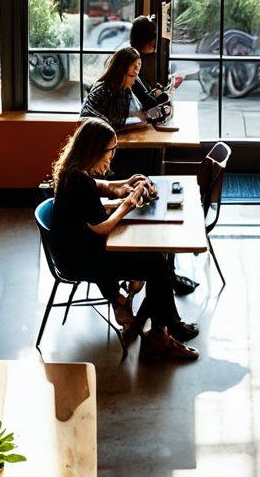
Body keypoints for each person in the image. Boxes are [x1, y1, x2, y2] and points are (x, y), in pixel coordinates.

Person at [50, 118, 198, 363]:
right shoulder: (79, 182)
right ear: (95, 150)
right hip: (80, 259)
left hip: (74, 249)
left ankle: (162, 323)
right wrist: (128, 204)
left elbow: (103, 186)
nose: (112, 155)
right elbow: (101, 227)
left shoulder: (73, 172)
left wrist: (126, 184)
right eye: (111, 150)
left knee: (156, 262)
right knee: (157, 265)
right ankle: (160, 336)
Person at [80, 45, 161, 130]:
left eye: (138, 64)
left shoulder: (126, 89)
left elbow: (146, 108)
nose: (136, 73)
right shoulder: (101, 90)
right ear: (120, 70)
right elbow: (87, 120)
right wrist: (131, 124)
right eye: (131, 75)